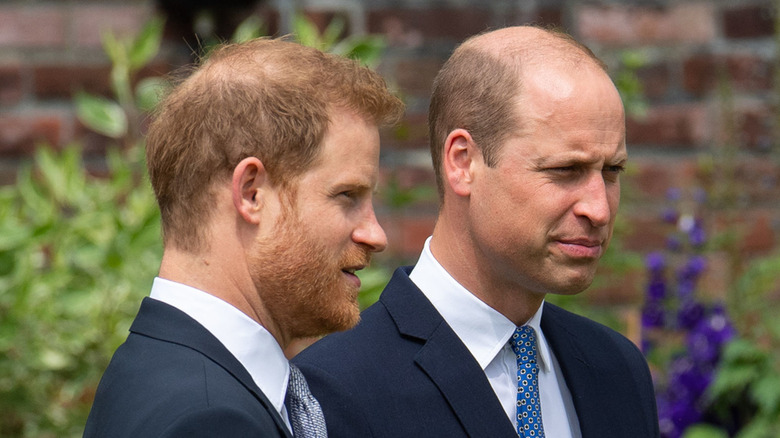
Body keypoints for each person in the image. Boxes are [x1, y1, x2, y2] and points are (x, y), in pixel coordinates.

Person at [294, 26, 660, 438]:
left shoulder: (617, 370)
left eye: (611, 171)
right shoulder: (333, 391)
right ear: (463, 162)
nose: (597, 208)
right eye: (565, 170)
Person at [83, 37, 404, 437]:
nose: (375, 235)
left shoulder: (159, 370)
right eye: (347, 195)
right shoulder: (209, 420)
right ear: (251, 193)